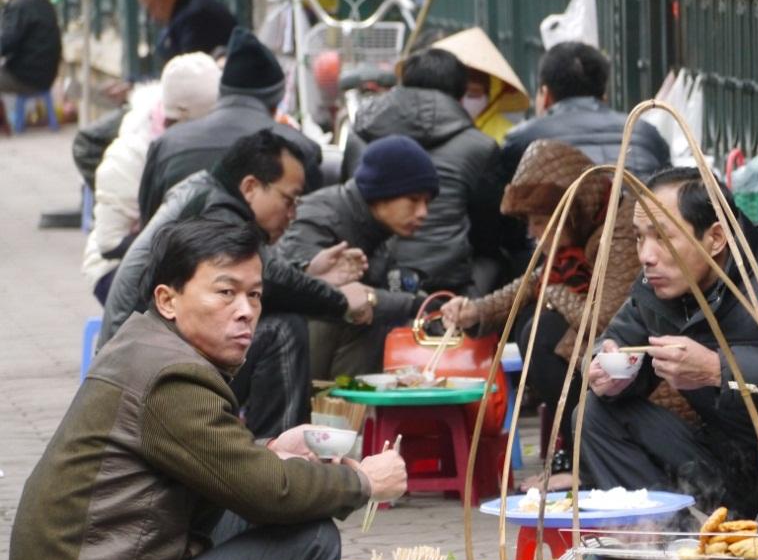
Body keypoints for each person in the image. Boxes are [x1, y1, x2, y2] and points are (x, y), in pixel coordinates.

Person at [8, 218, 407, 560]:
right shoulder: (172, 375)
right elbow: (268, 492)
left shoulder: (145, 347)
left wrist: (267, 452)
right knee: (310, 541)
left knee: (259, 509)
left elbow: (219, 470)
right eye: (225, 293)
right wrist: (360, 480)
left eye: (254, 295)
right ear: (168, 299)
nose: (245, 311)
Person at [580, 167, 758, 516]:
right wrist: (605, 368)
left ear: (716, 238)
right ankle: (668, 545)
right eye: (640, 237)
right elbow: (614, 341)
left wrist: (721, 369)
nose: (646, 255)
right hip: (719, 456)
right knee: (595, 412)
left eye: (662, 237)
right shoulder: (660, 284)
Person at [101, 129, 374, 438]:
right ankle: (280, 456)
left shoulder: (206, 192)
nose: (292, 214)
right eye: (289, 200)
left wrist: (309, 273)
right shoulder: (219, 210)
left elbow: (264, 280)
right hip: (140, 373)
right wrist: (340, 300)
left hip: (136, 356)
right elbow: (270, 278)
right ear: (251, 187)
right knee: (282, 331)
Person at [441, 139, 640, 489]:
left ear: (569, 211)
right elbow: (534, 278)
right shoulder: (581, 230)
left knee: (545, 332)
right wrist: (474, 310)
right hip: (603, 349)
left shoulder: (619, 231)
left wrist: (552, 293)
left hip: (638, 355)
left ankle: (586, 459)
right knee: (536, 326)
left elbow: (605, 316)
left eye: (539, 221)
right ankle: (574, 450)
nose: (533, 233)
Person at [276, 134, 440, 379]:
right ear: (381, 193)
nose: (423, 212)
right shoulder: (318, 217)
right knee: (354, 315)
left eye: (427, 202)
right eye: (413, 200)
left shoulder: (381, 229)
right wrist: (411, 304)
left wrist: (431, 307)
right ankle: (343, 410)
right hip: (286, 355)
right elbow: (303, 292)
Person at [347, 47, 502, 295]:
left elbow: (350, 203)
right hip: (448, 284)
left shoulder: (360, 133)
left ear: (403, 83)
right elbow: (490, 231)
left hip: (368, 278)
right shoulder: (480, 147)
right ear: (460, 96)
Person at [138, 26, 322, 226]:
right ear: (275, 102)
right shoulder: (299, 148)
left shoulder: (167, 144)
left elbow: (151, 226)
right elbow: (309, 230)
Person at [83, 52, 221, 304]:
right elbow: (110, 244)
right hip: (118, 269)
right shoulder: (129, 154)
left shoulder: (200, 142)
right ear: (184, 115)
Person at [500, 41, 670, 184]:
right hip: (636, 221)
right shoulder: (644, 132)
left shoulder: (522, 140)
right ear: (604, 96)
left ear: (545, 95)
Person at [429, 26, 531, 144]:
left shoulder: (508, 137)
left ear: (492, 95)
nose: (463, 101)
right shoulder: (430, 126)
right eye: (456, 92)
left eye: (473, 94)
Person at [138, 0, 237, 61]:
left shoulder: (194, 16)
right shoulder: (184, 13)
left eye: (152, 6)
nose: (151, 15)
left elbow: (190, 70)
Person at [0, 0, 61, 96]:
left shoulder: (18, 5)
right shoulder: (42, 1)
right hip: (46, 77)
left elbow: (6, 43)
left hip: (26, 78)